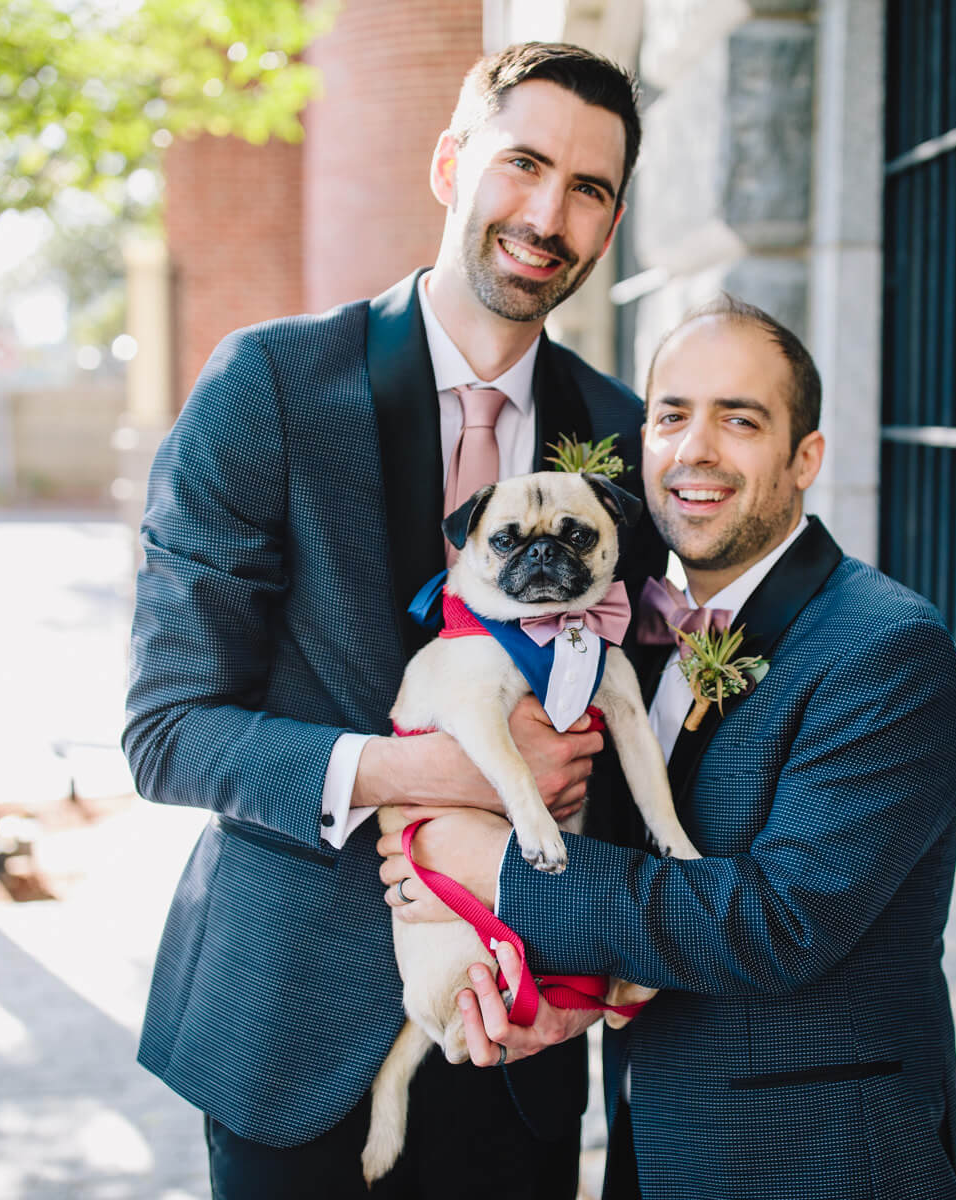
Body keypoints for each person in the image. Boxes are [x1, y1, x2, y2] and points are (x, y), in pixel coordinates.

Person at [122, 42, 664, 1200]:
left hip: (516, 1032)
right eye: (522, 164)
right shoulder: (264, 388)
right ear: (449, 161)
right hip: (289, 1028)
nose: (547, 212)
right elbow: (169, 734)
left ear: (612, 222)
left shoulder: (621, 442)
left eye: (589, 188)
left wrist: (591, 969)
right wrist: (440, 772)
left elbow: (640, 735)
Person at [379, 296, 956, 1199]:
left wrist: (491, 862)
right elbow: (639, 883)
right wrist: (569, 996)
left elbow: (780, 924)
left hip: (813, 1157)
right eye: (671, 415)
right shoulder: (622, 638)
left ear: (805, 457)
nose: (696, 448)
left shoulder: (885, 646)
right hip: (652, 1140)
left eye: (740, 419)